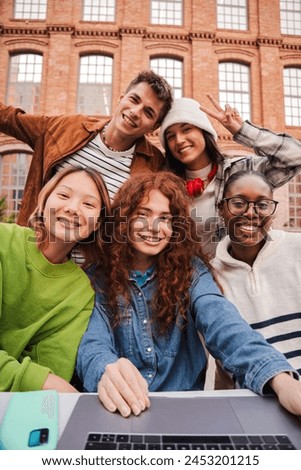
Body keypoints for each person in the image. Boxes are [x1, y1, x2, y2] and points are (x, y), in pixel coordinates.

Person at [76, 171, 301, 419]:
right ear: (123, 219)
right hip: (118, 410)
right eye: (142, 215)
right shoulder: (95, 278)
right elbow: (93, 345)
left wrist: (281, 380)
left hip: (182, 412)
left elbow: (225, 325)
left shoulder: (192, 272)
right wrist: (105, 370)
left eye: (165, 218)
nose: (153, 227)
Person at [0, 69, 173, 225]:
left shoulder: (154, 164)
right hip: (37, 252)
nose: (135, 112)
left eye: (148, 112)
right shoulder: (66, 127)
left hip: (101, 260)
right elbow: (10, 119)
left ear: (154, 127)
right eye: (134, 100)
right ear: (121, 98)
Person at [0, 165, 111, 393]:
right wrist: (43, 382)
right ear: (43, 201)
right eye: (63, 195)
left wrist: (49, 389)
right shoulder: (3, 241)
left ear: (97, 224)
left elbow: (52, 376)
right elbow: (49, 384)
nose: (72, 208)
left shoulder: (81, 292)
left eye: (88, 204)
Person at [159, 95, 301, 258]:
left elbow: (296, 156)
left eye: (186, 129)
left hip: (234, 276)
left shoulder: (241, 171)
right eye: (171, 136)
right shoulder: (165, 184)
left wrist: (242, 131)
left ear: (204, 131)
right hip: (184, 278)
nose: (180, 140)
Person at [211, 170, 301, 389]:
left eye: (262, 205)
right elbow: (223, 359)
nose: (251, 213)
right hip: (253, 403)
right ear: (221, 209)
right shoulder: (211, 276)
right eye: (239, 203)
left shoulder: (297, 249)